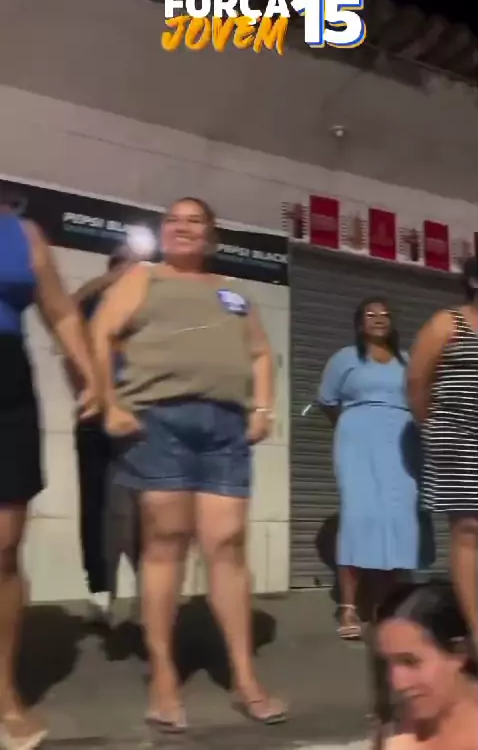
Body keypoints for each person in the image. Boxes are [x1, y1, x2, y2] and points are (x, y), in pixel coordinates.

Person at [90, 196, 286, 730]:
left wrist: (263, 408)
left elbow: (260, 353)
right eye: (173, 220)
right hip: (160, 422)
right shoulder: (143, 276)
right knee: (166, 544)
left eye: (194, 221)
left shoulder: (235, 292)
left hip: (225, 427)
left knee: (228, 545)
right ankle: (163, 676)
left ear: (211, 236)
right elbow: (101, 332)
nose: (182, 227)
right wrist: (109, 403)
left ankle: (245, 677)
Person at [0, 193, 98, 748]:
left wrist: (92, 378)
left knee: (3, 548)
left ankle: (3, 692)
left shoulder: (23, 234)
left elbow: (60, 311)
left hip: (7, 387)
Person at [318, 297, 427, 641]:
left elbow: (421, 398)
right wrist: (354, 426)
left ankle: (389, 606)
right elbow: (327, 400)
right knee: (358, 517)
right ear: (359, 323)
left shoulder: (407, 361)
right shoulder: (345, 358)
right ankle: (349, 607)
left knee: (399, 518)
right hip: (358, 444)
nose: (379, 319)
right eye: (370, 314)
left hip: (402, 444)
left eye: (385, 314)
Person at [407, 257, 478, 646]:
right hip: (459, 436)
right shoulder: (448, 323)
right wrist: (431, 426)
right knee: (469, 529)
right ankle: (475, 627)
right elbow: (417, 379)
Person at [70, 247, 134, 622]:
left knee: (145, 506)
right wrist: (109, 279)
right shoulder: (92, 301)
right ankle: (99, 586)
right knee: (93, 501)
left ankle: (150, 590)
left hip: (137, 416)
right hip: (95, 417)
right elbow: (67, 308)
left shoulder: (145, 305)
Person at [375, 580, 477, 749]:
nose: (397, 683)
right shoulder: (394, 736)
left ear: (459, 652)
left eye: (411, 662)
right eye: (387, 664)